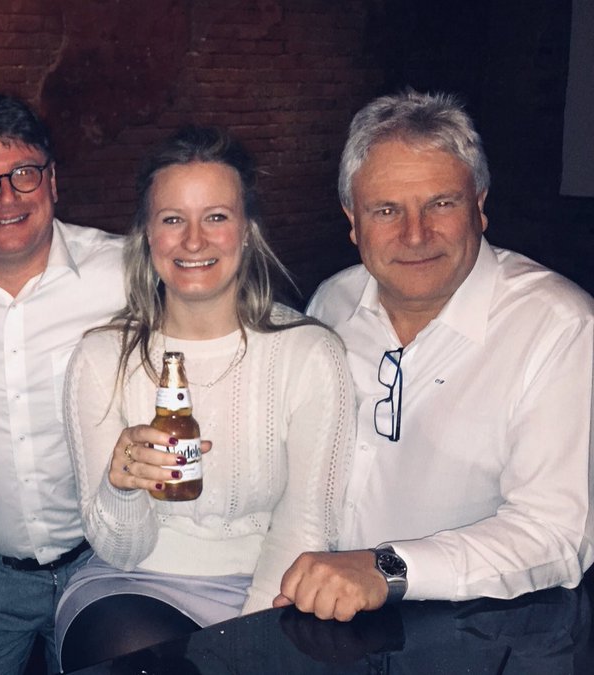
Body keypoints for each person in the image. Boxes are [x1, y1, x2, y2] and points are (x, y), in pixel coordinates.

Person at [277, 89, 594, 622]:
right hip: (317, 609)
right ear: (353, 221)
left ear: (480, 206)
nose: (415, 235)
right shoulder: (332, 302)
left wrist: (387, 569)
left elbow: (556, 534)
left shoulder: (560, 328)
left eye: (440, 204)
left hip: (479, 628)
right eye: (386, 210)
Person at [54, 126, 356, 671]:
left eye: (216, 216)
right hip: (134, 585)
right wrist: (123, 487)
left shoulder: (309, 352)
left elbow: (307, 525)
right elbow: (120, 550)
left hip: (277, 584)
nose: (194, 241)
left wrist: (250, 642)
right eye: (173, 219)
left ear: (248, 231)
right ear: (147, 235)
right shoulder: (101, 357)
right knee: (128, 648)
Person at [0, 94, 126, 673]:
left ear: (52, 181)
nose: (6, 197)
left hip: (102, 566)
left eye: (24, 173)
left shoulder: (122, 271)